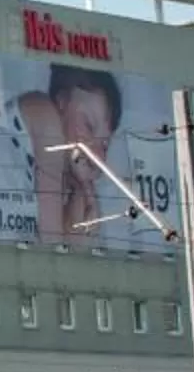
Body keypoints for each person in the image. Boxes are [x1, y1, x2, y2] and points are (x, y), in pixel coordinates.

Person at [11, 65, 124, 245]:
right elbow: (52, 248)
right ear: (61, 102)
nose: (96, 152)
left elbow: (71, 251)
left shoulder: (66, 183)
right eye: (88, 125)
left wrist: (83, 192)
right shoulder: (43, 115)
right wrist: (86, 191)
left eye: (105, 145)